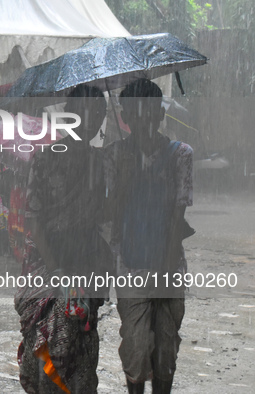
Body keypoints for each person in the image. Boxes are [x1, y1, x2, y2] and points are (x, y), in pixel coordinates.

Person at [14, 84, 112, 393]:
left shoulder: (104, 162)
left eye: (99, 113)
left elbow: (108, 214)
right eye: (85, 113)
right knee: (50, 351)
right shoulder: (46, 159)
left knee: (82, 345)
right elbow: (34, 219)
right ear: (72, 116)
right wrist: (56, 270)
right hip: (50, 261)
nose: (92, 120)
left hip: (86, 261)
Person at [103, 79, 194, 394]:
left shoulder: (179, 155)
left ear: (159, 114)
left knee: (165, 350)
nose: (142, 119)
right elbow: (110, 215)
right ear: (126, 115)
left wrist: (166, 271)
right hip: (130, 265)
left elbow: (176, 215)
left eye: (149, 112)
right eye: (135, 113)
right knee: (136, 347)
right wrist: (126, 181)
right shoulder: (115, 156)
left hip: (168, 264)